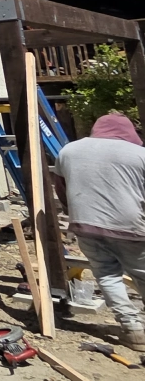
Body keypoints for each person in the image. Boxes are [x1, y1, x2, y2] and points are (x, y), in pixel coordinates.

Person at [53, 111, 145, 350]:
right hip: (131, 228)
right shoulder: (139, 155)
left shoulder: (69, 151)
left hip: (86, 224)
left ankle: (133, 329)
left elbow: (61, 187)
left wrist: (71, 211)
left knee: (107, 274)